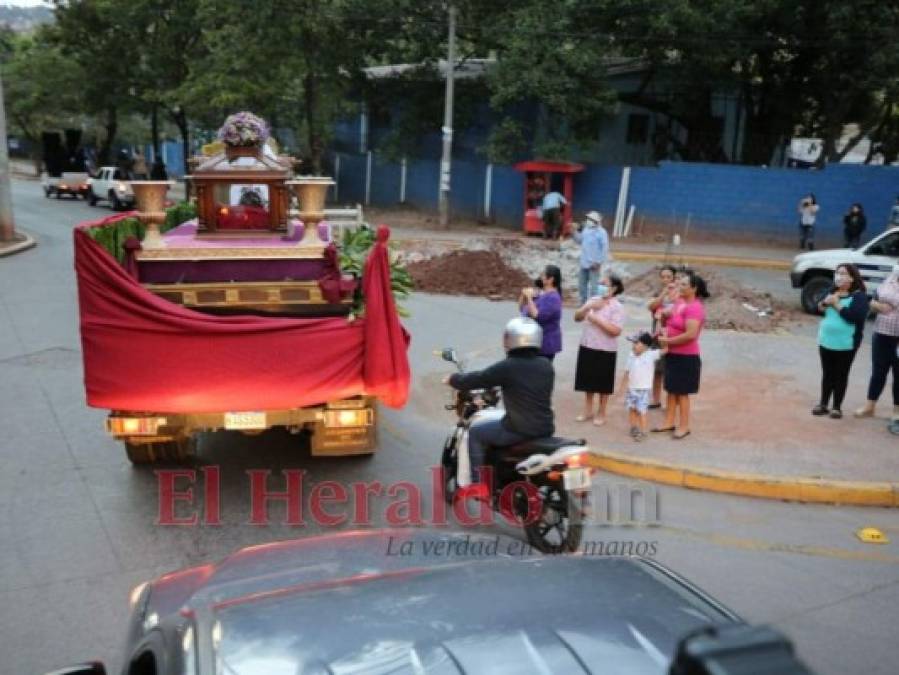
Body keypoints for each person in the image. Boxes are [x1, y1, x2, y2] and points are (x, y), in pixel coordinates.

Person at [445, 317, 555, 494]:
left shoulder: (508, 367)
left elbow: (479, 378)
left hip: (518, 429)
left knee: (476, 432)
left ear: (510, 339)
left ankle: (478, 483)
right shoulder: (546, 365)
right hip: (545, 428)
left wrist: (453, 379)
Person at [655, 272, 709, 439]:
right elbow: (668, 322)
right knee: (671, 389)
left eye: (685, 285)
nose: (681, 286)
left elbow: (691, 334)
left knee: (682, 393)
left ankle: (684, 426)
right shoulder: (679, 303)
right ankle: (669, 422)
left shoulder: (695, 308)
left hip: (686, 356)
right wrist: (664, 318)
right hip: (673, 354)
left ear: (694, 288)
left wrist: (668, 341)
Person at [812, 264, 869, 419]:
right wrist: (824, 303)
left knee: (841, 374)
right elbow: (817, 307)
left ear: (852, 278)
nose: (839, 276)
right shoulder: (831, 290)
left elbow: (854, 317)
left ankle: (836, 407)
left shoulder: (860, 296)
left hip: (846, 343)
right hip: (826, 340)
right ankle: (823, 404)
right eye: (837, 273)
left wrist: (836, 304)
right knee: (827, 373)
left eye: (843, 274)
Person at [574, 274, 625, 426]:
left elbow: (615, 331)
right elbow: (577, 317)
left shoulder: (617, 307)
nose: (601, 285)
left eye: (605, 283)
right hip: (588, 344)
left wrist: (596, 319)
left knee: (603, 382)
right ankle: (588, 409)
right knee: (587, 379)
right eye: (600, 283)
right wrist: (588, 307)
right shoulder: (593, 300)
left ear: (614, 288)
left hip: (606, 348)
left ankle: (601, 411)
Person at [854, 263, 899, 423]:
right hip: (881, 333)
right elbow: (872, 302)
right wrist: (877, 305)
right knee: (878, 371)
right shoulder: (889, 281)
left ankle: (897, 410)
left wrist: (893, 305)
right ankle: (870, 405)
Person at [620, 332, 662, 442]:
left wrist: (664, 339)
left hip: (644, 389)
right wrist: (622, 386)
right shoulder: (631, 355)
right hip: (632, 388)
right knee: (632, 409)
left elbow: (665, 350)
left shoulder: (650, 354)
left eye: (636, 343)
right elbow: (627, 372)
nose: (633, 346)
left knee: (642, 410)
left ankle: (643, 431)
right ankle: (634, 427)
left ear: (645, 346)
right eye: (633, 343)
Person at [647, 265, 678, 408]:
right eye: (663, 277)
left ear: (674, 278)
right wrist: (663, 293)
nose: (666, 280)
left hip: (673, 336)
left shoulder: (680, 294)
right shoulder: (658, 292)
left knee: (672, 370)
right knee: (657, 370)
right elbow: (651, 307)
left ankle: (671, 402)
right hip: (657, 336)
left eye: (669, 277)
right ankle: (656, 399)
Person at [519, 265, 563, 362]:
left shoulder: (553, 298)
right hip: (533, 341)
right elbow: (523, 309)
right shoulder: (541, 294)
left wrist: (529, 298)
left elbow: (537, 316)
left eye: (543, 274)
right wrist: (524, 295)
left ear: (550, 279)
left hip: (545, 344)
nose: (541, 277)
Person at [572, 211, 609, 305]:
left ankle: (593, 304)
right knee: (582, 285)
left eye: (590, 219)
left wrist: (598, 262)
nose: (588, 221)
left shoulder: (601, 232)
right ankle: (583, 302)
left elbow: (604, 249)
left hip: (594, 264)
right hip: (584, 262)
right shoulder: (586, 230)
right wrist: (574, 232)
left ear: (595, 221)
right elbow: (580, 240)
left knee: (593, 287)